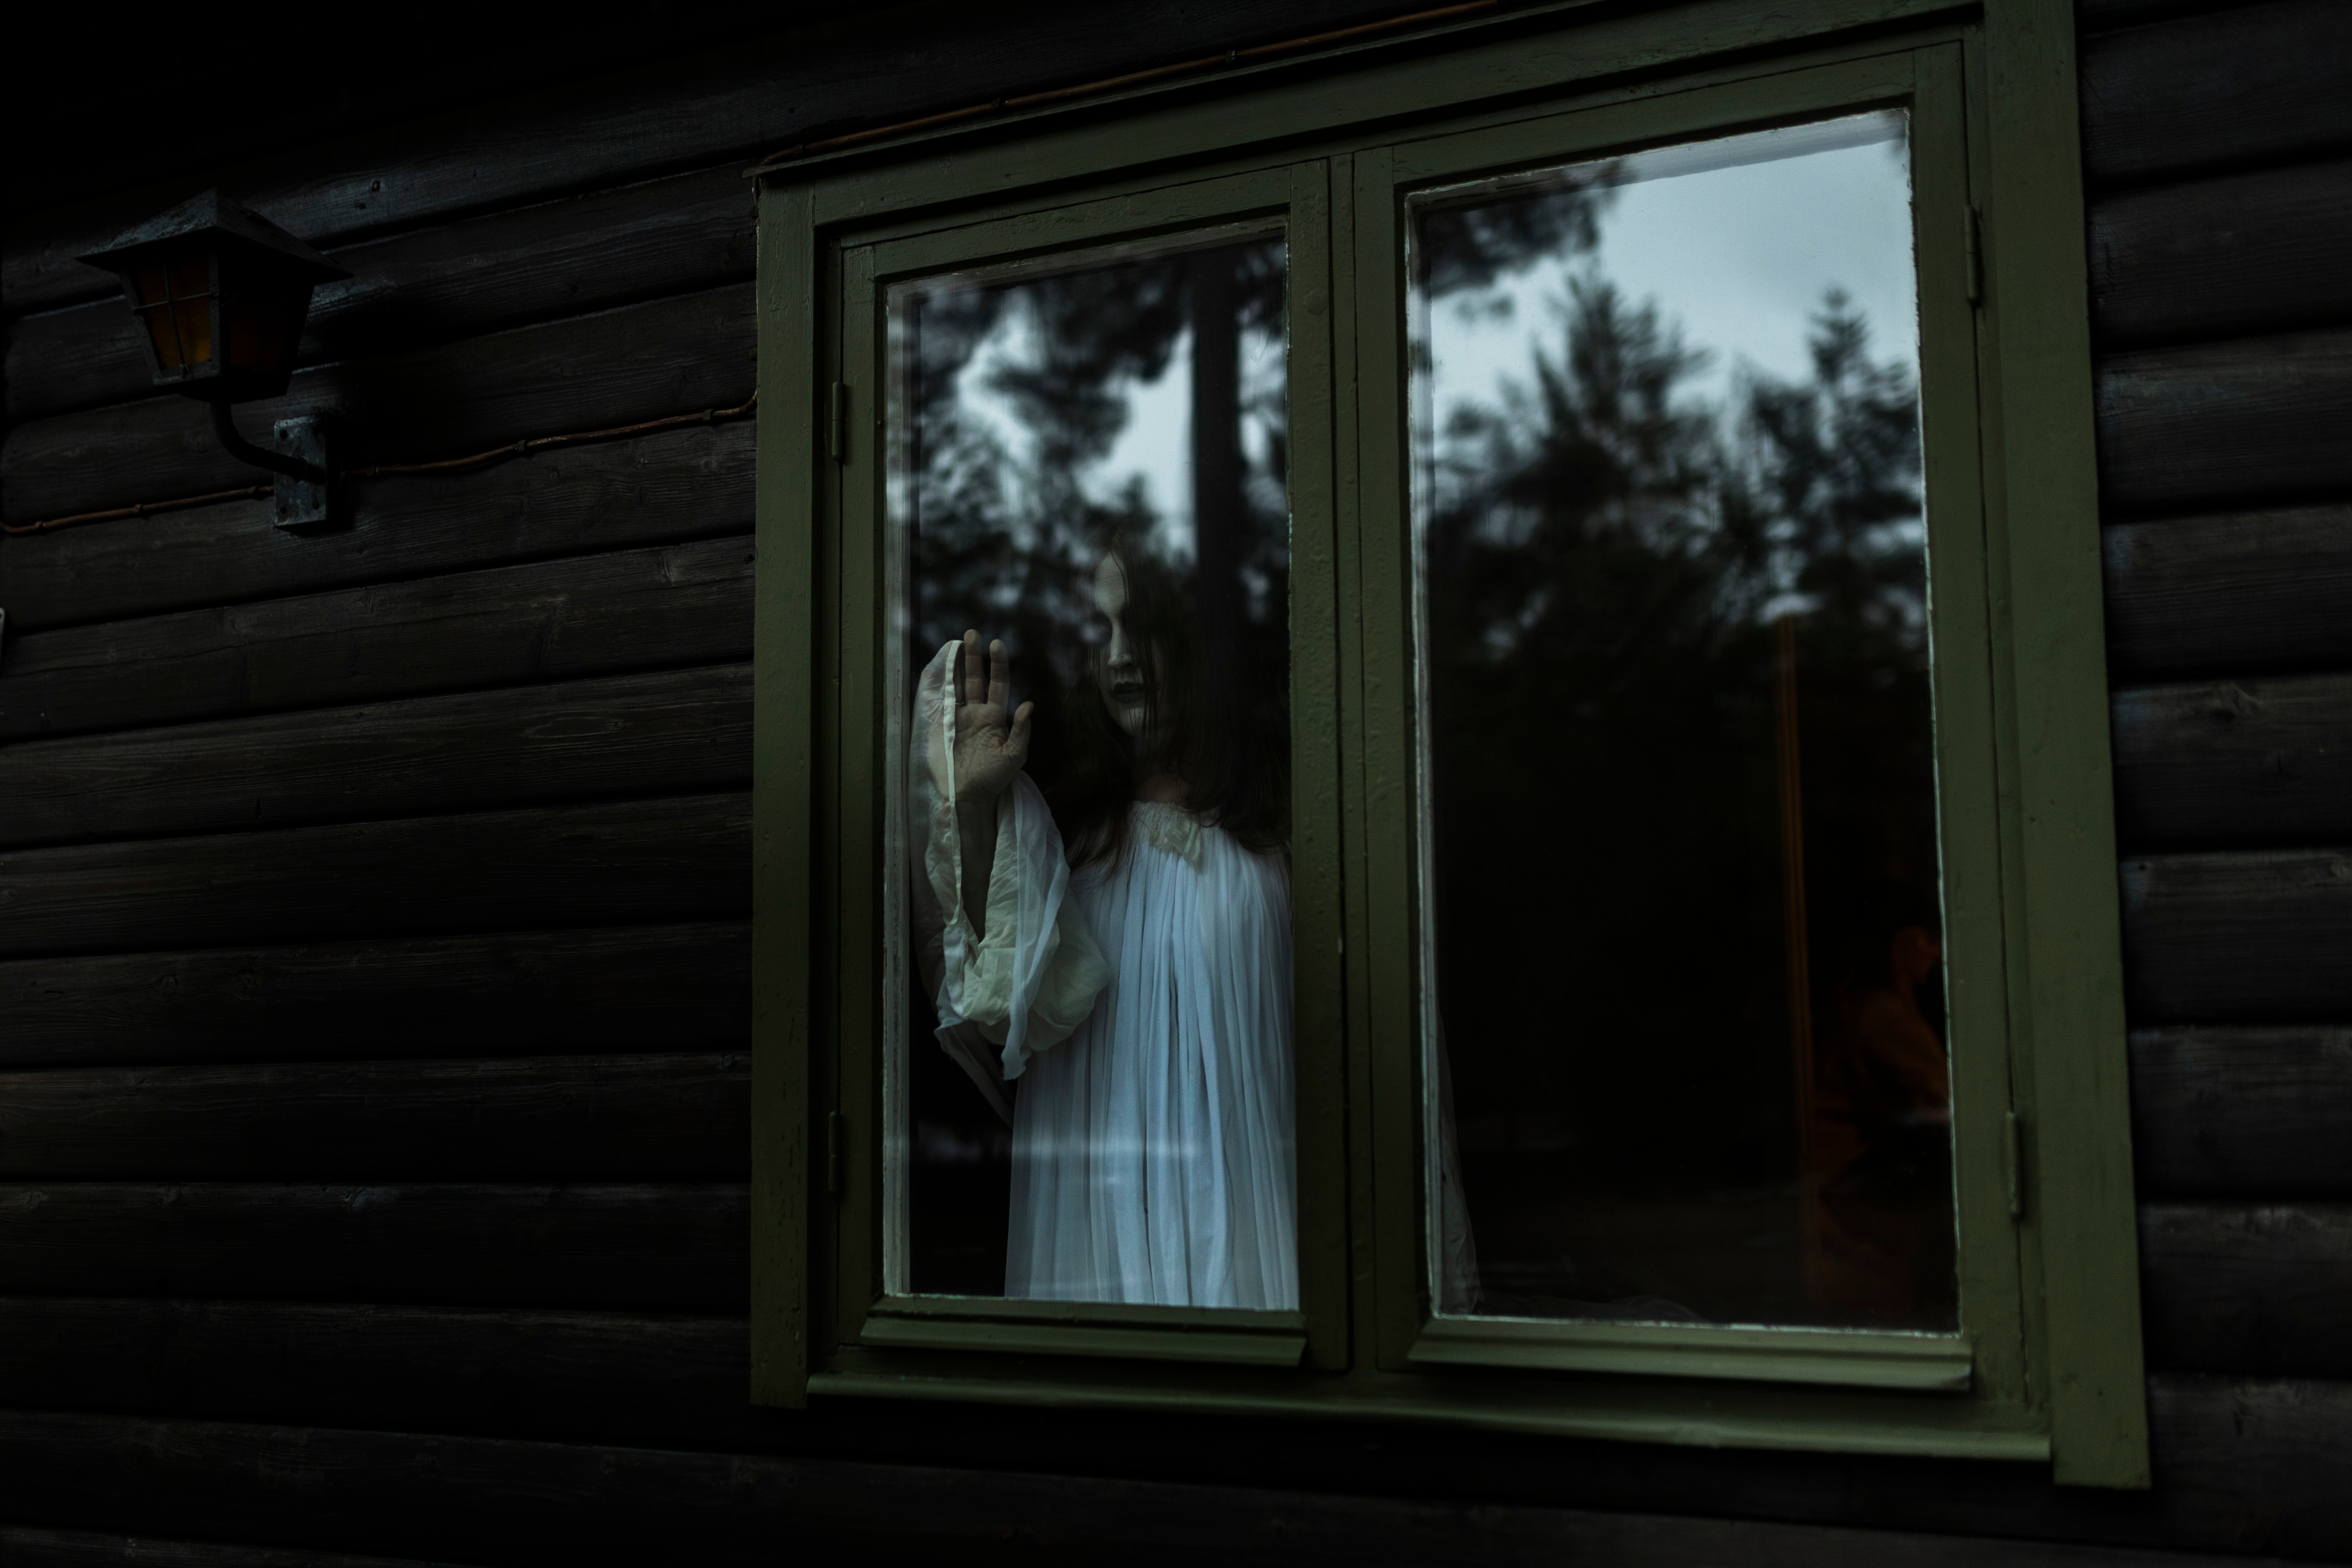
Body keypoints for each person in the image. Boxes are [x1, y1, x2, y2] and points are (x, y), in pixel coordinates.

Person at [908, 548, 1299, 1309]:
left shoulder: (1281, 837)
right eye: (1101, 630)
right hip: (1096, 1233)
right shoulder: (1068, 837)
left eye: (1141, 627)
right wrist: (980, 809)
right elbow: (1002, 1003)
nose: (1120, 658)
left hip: (1248, 1234)